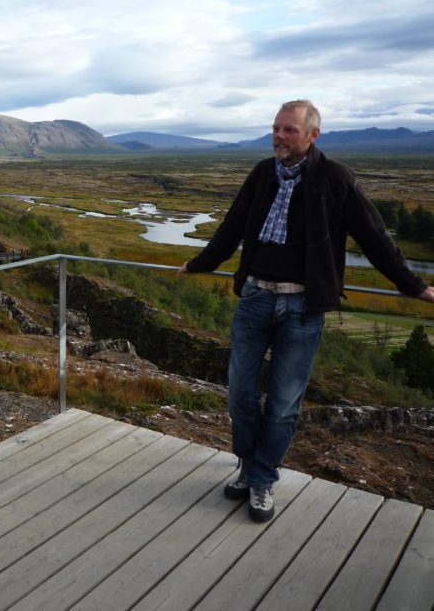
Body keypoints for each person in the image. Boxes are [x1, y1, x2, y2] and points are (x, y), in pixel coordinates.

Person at [177, 99, 434, 523]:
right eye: (276, 128)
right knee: (241, 393)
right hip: (256, 298)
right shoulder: (262, 173)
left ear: (313, 135)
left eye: (289, 130)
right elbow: (232, 228)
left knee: (282, 404)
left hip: (303, 306)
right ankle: (247, 464)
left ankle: (262, 479)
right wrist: (200, 264)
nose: (279, 136)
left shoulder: (334, 178)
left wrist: (415, 285)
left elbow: (374, 237)